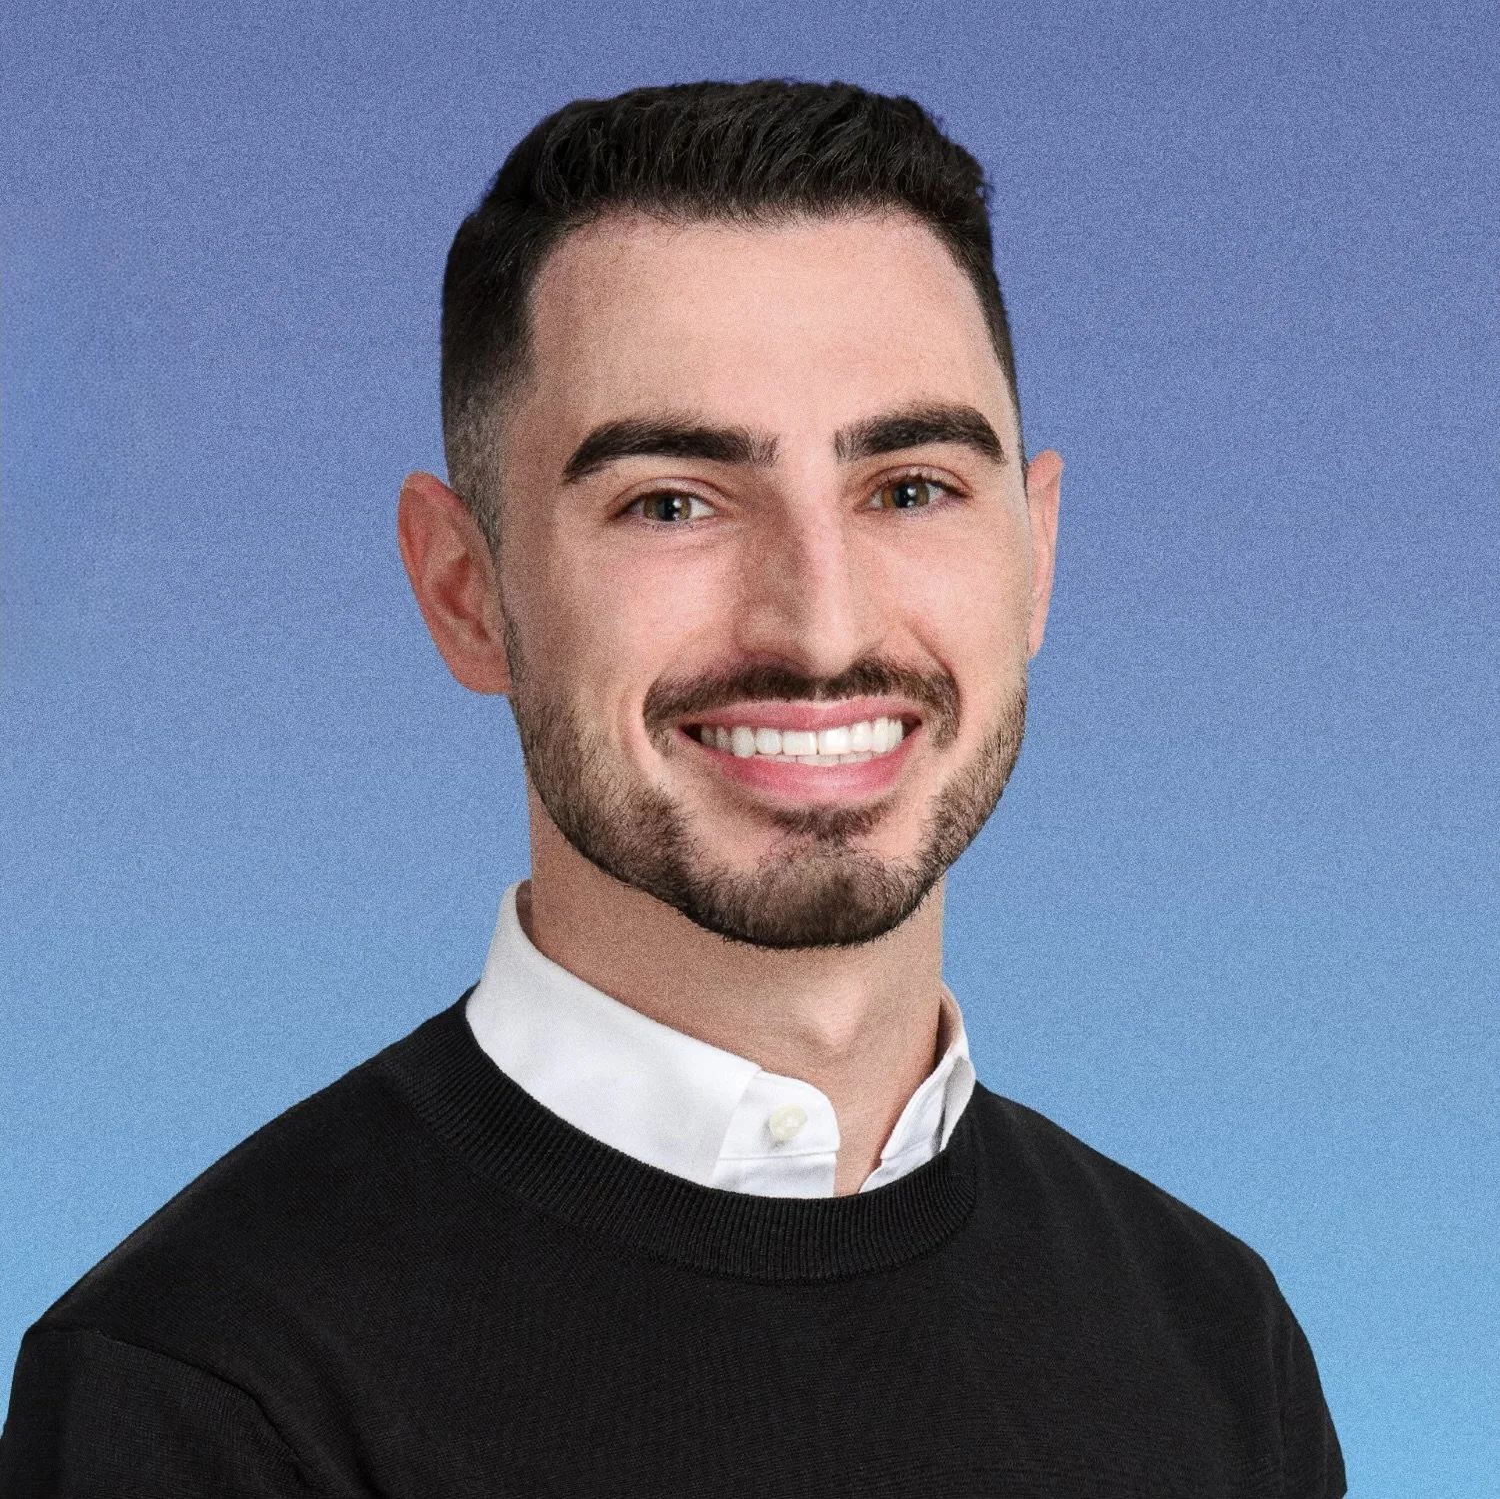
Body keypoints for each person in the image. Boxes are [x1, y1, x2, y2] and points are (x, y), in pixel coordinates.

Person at [0, 80, 1345, 1496]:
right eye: (672, 503)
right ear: (467, 594)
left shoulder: (1212, 1343)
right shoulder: (207, 1393)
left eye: (910, 488)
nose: (821, 628)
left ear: (1037, 556)